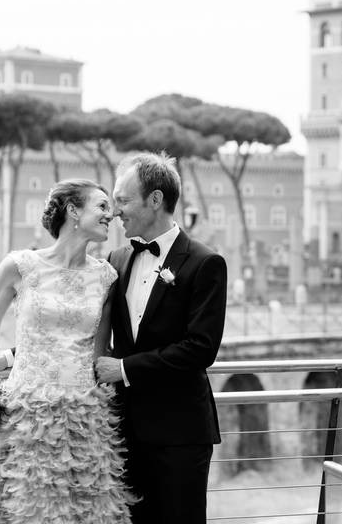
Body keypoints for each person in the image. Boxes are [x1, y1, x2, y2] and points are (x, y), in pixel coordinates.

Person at [0, 179, 133, 523]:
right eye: (101, 206)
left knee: (85, 512)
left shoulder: (107, 277)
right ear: (73, 210)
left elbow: (98, 350)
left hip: (84, 416)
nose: (111, 214)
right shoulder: (20, 266)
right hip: (26, 412)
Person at [95, 151, 227, 523]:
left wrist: (123, 368)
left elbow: (200, 349)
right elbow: (82, 327)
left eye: (122, 200)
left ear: (155, 200)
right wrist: (11, 357)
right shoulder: (116, 259)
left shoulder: (205, 263)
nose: (115, 211)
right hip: (125, 431)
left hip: (180, 434)